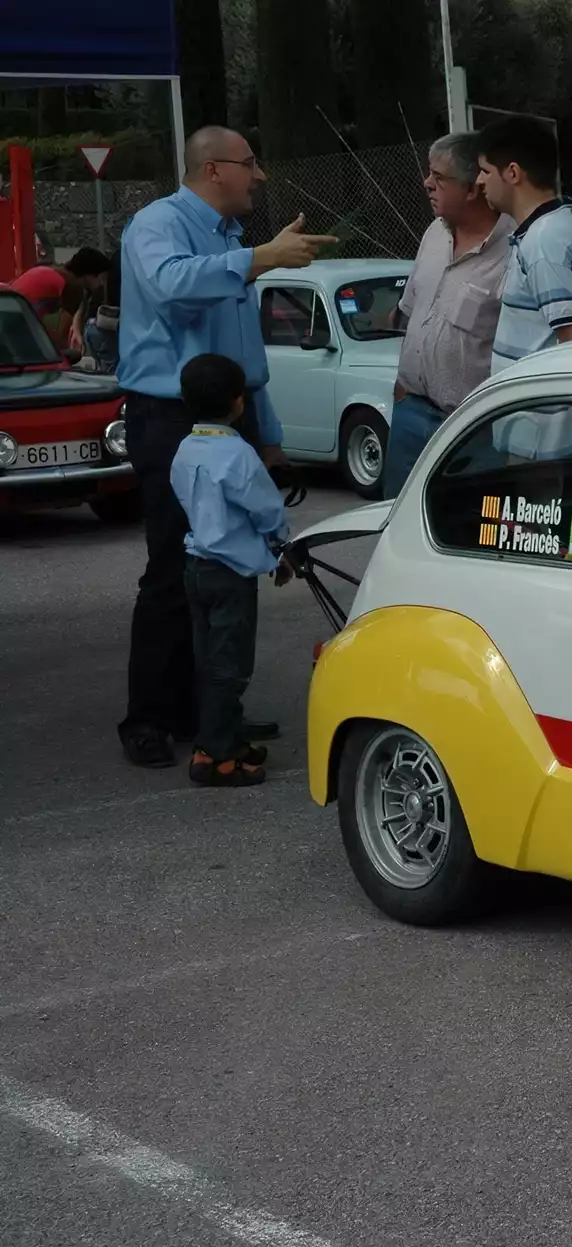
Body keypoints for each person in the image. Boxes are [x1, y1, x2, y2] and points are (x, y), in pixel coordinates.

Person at [114, 125, 335, 769]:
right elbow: (170, 285)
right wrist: (260, 257)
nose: (259, 175)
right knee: (172, 570)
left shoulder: (231, 239)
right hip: (169, 419)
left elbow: (243, 353)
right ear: (213, 169)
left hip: (226, 415)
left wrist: (268, 438)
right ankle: (148, 717)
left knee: (225, 572)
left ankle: (210, 713)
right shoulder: (157, 225)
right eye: (249, 163)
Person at [170, 353, 291, 787]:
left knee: (209, 661)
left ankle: (228, 738)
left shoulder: (185, 449)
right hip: (231, 574)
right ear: (239, 402)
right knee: (232, 666)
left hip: (196, 565)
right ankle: (214, 755)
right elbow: (267, 510)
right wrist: (282, 549)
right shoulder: (239, 455)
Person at [386, 131, 515, 498]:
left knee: (466, 525)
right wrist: (402, 392)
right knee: (394, 519)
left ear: (472, 188)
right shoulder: (434, 234)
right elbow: (410, 313)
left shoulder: (514, 251)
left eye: (438, 177)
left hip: (472, 429)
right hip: (410, 414)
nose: (427, 183)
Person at [476, 114, 572, 373]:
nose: (479, 181)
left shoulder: (542, 242)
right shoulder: (565, 227)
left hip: (537, 401)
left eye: (486, 171)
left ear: (513, 173)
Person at [12, 246, 111, 352]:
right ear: (90, 275)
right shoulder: (71, 285)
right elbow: (64, 335)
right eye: (102, 278)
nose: (102, 284)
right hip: (17, 329)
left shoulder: (53, 272)